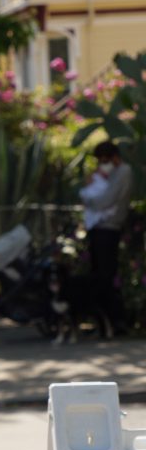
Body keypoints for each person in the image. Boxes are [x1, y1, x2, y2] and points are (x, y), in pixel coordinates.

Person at [79, 140, 133, 334]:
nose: (102, 164)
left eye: (105, 160)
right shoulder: (108, 174)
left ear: (114, 157)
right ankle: (103, 321)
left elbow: (105, 200)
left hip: (109, 230)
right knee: (97, 275)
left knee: (106, 276)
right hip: (98, 227)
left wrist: (86, 196)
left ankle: (116, 321)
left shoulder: (123, 171)